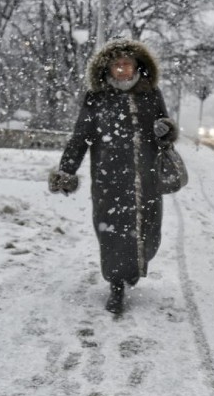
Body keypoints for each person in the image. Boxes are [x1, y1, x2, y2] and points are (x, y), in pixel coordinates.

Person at [48, 39, 178, 315]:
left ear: (136, 66)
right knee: (113, 235)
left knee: (149, 234)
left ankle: (132, 269)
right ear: (108, 67)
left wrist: (165, 131)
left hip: (147, 178)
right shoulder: (96, 97)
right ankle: (116, 285)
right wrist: (66, 170)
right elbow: (80, 137)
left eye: (127, 63)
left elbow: (166, 130)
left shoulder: (151, 94)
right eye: (116, 64)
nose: (121, 69)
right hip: (110, 180)